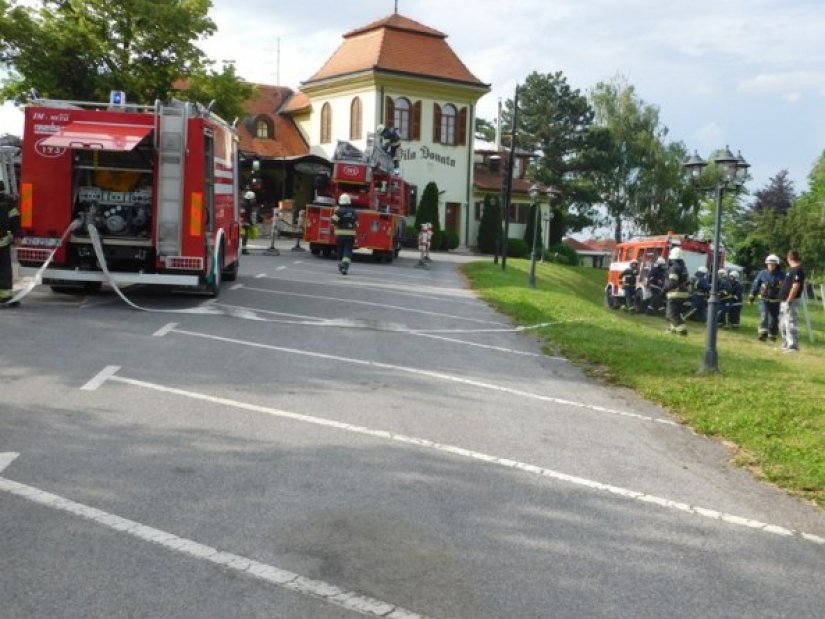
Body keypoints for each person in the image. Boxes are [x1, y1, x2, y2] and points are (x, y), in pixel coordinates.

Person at [748, 254, 785, 341]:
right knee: (764, 315)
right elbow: (755, 285)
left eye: (773, 264)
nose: (771, 266)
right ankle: (763, 333)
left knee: (774, 319)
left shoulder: (782, 275)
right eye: (769, 264)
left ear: (777, 265)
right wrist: (751, 297)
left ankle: (772, 335)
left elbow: (786, 288)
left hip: (776, 301)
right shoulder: (762, 273)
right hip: (764, 299)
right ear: (766, 264)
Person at [0, 181, 22, 308]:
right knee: (4, 271)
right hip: (3, 243)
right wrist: (17, 235)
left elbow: (14, 219)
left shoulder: (8, 202)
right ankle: (5, 296)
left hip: (3, 242)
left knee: (4, 271)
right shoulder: (8, 202)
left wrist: (18, 235)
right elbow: (15, 220)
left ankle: (5, 296)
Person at [779, 250, 805, 352]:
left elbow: (795, 286)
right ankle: (786, 343)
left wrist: (789, 299)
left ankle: (793, 345)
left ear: (789, 258)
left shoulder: (798, 270)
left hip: (791, 300)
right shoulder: (791, 269)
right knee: (783, 323)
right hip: (784, 300)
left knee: (791, 322)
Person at [663, 246, 690, 335]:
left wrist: (663, 290)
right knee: (676, 312)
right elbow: (688, 281)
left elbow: (672, 283)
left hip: (675, 293)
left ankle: (681, 330)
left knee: (671, 314)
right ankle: (672, 329)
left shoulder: (674, 267)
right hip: (684, 293)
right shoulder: (684, 268)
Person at [332, 193, 358, 275]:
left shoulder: (339, 211)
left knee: (340, 250)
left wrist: (335, 212)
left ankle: (340, 265)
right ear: (349, 201)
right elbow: (357, 224)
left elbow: (333, 221)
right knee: (348, 250)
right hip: (350, 235)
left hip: (340, 235)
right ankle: (345, 266)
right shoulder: (354, 212)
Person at [241, 187, 255, 255]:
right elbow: (246, 215)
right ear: (250, 198)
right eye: (253, 198)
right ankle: (243, 250)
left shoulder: (246, 204)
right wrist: (250, 223)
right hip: (244, 223)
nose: (254, 200)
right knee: (244, 236)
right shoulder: (246, 205)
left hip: (244, 222)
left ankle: (243, 249)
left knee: (244, 236)